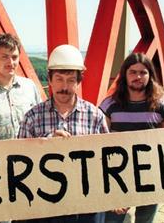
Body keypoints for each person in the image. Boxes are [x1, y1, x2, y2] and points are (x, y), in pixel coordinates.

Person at [17, 44, 108, 223]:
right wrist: (46, 145)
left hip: (86, 208)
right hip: (44, 209)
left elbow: (107, 159)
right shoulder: (32, 117)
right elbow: (19, 162)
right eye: (59, 79)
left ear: (79, 81)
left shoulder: (95, 115)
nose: (64, 87)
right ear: (50, 80)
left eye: (71, 80)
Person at [99, 53, 164, 223]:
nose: (138, 77)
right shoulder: (109, 105)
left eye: (143, 72)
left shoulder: (161, 106)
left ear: (150, 76)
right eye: (133, 72)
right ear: (124, 75)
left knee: (145, 220)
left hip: (150, 175)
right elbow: (99, 139)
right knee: (112, 220)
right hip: (117, 175)